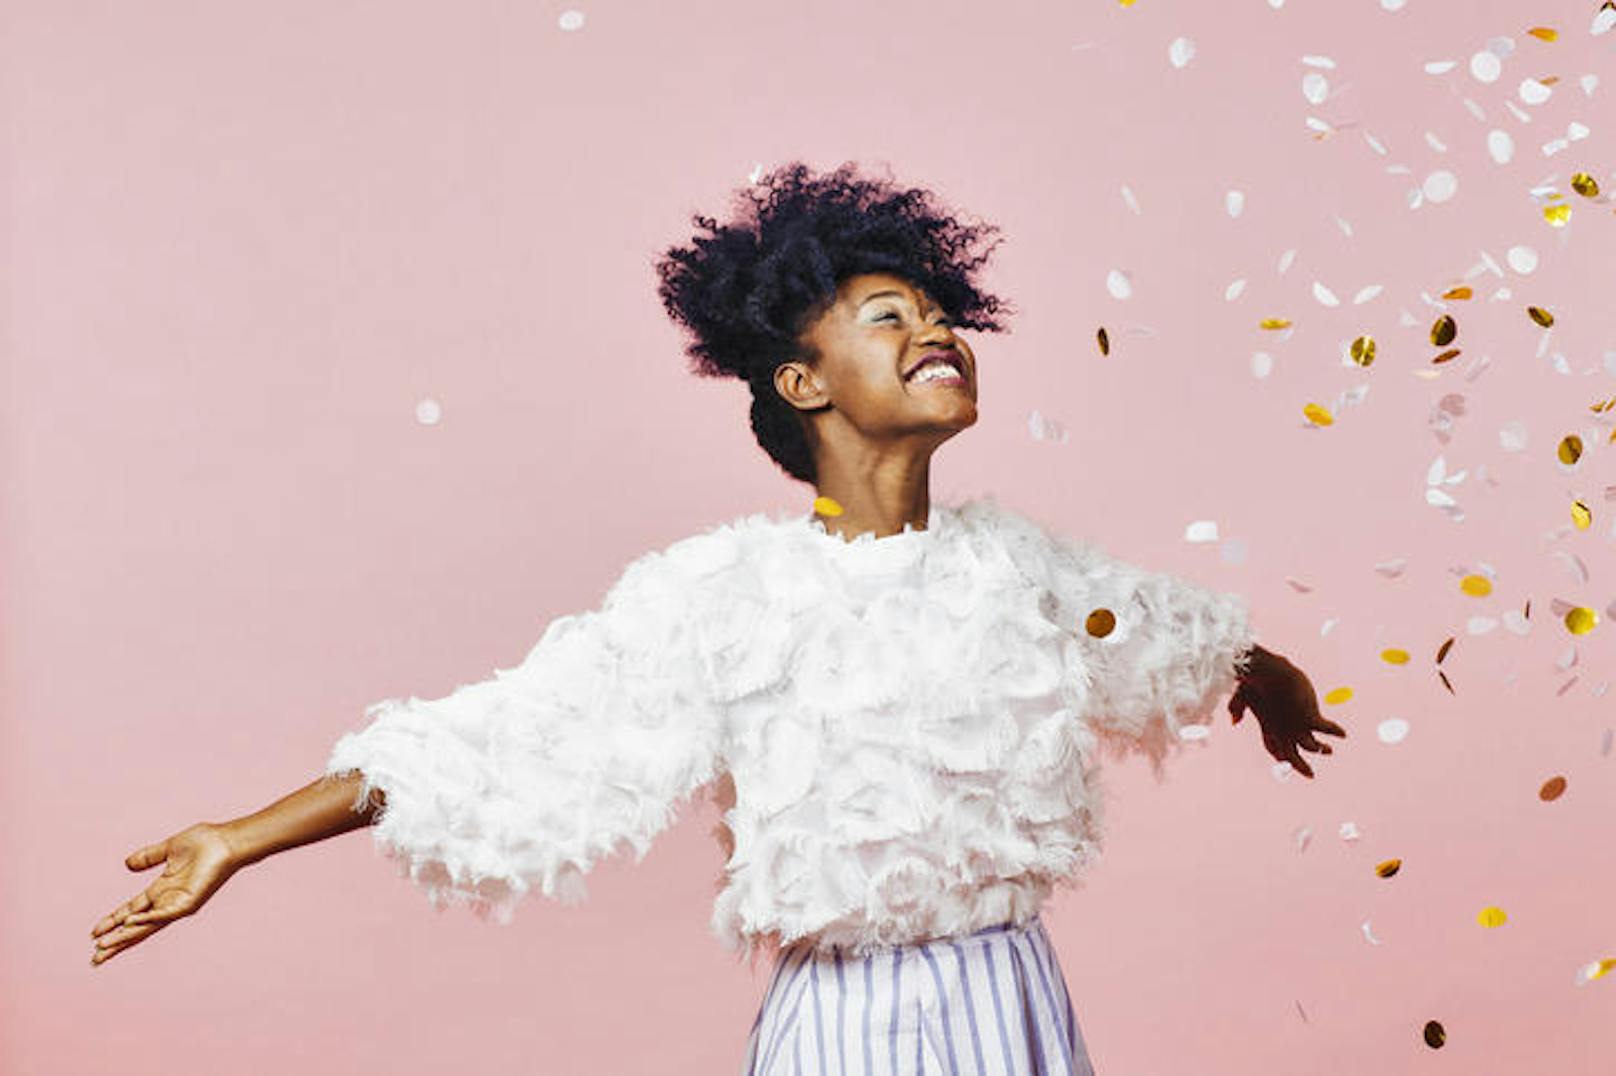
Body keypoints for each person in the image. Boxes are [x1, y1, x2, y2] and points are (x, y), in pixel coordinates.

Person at [90, 160, 1346, 1074]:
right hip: (849, 1026)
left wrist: (1266, 676)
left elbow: (1170, 632)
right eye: (887, 316)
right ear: (802, 383)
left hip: (1014, 999)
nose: (935, 329)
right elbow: (511, 733)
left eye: (938, 312)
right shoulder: (726, 596)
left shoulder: (1022, 568)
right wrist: (242, 836)